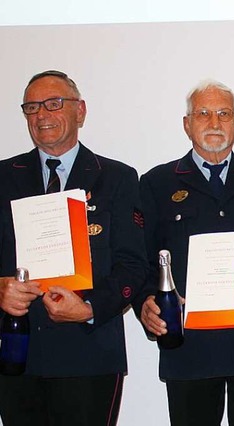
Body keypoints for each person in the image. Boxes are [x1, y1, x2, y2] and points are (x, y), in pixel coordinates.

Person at [133, 80, 234, 426]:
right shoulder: (156, 183)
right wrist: (145, 302)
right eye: (202, 113)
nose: (214, 123)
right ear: (187, 124)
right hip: (191, 351)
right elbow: (139, 259)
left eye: (223, 114)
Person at [0, 70, 147, 425]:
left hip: (90, 352)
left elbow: (134, 266)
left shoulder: (117, 177)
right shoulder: (3, 177)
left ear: (79, 111)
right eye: (32, 107)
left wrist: (90, 308)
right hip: (18, 354)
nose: (41, 115)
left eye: (53, 104)